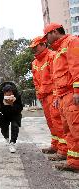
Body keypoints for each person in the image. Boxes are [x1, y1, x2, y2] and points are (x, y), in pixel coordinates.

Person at [43, 23, 79, 172]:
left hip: (71, 93)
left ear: (56, 31)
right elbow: (57, 77)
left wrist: (77, 91)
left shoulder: (72, 41)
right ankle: (73, 160)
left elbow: (76, 66)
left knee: (76, 128)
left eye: (47, 35)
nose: (46, 39)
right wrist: (57, 96)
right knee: (67, 130)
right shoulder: (58, 50)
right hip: (63, 95)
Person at [30, 36, 67, 161]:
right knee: (51, 123)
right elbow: (36, 81)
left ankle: (63, 150)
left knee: (58, 122)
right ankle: (55, 145)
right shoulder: (34, 63)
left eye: (36, 47)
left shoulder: (52, 56)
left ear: (43, 44)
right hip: (44, 97)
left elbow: (56, 77)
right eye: (33, 48)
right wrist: (38, 94)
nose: (34, 50)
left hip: (53, 95)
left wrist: (57, 95)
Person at [0, 82, 23, 153]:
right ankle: (6, 137)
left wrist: (12, 104)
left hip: (14, 114)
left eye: (11, 93)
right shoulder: (0, 95)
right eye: (7, 93)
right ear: (4, 92)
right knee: (4, 128)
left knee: (15, 126)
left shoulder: (17, 95)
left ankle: (12, 143)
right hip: (3, 114)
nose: (10, 94)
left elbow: (20, 107)